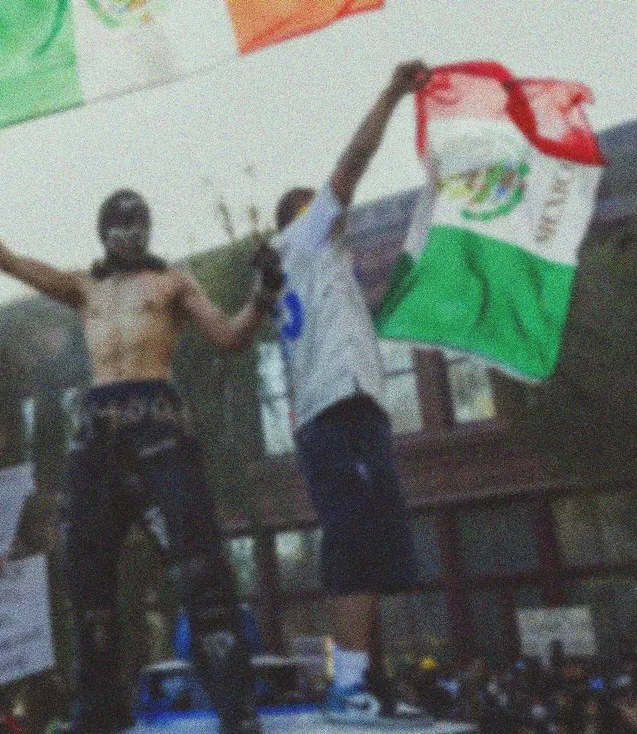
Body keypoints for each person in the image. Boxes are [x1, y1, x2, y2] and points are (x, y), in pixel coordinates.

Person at [0, 176, 283, 734]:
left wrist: (262, 296)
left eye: (138, 221)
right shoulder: (85, 289)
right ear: (104, 232)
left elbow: (231, 336)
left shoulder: (174, 284)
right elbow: (11, 263)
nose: (131, 232)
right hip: (97, 437)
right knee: (86, 578)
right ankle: (98, 712)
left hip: (159, 430)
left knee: (200, 567)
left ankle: (237, 711)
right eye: (120, 224)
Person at [265, 59, 434, 726]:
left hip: (347, 410)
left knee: (377, 545)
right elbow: (356, 157)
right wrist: (391, 91)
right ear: (303, 217)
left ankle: (371, 682)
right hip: (337, 409)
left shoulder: (301, 269)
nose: (340, 212)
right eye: (324, 203)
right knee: (354, 540)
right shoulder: (304, 239)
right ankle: (349, 685)